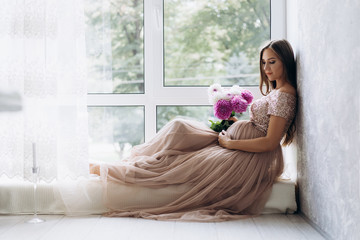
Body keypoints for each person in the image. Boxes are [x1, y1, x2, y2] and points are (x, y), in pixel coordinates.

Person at [90, 39, 297, 222]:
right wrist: (233, 124)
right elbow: (260, 125)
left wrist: (230, 143)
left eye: (272, 62)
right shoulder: (277, 91)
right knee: (179, 128)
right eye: (263, 62)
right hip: (235, 144)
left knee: (179, 162)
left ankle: (114, 171)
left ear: (285, 62)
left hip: (249, 157)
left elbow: (270, 141)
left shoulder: (285, 95)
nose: (266, 68)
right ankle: (129, 164)